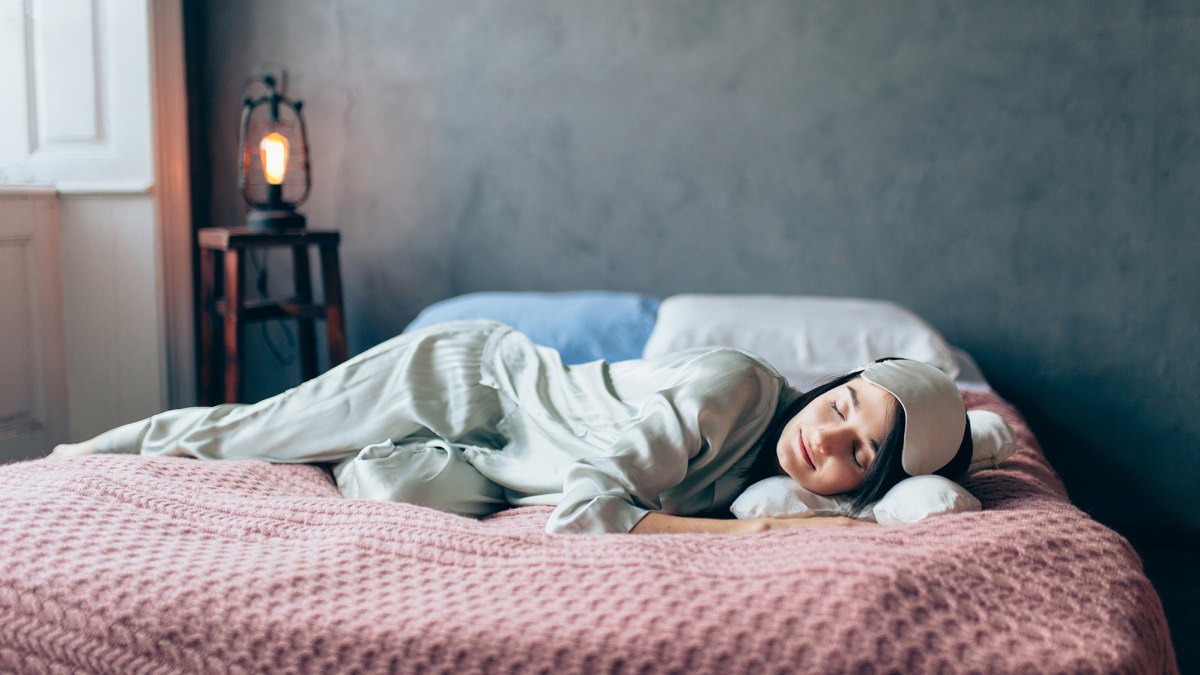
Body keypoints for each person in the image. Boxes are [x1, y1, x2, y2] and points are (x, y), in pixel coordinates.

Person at [51, 320, 972, 535]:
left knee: (397, 488)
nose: (830, 440)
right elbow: (585, 510)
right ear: (836, 382)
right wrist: (753, 540)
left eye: (860, 456)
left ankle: (360, 459)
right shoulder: (734, 385)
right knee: (255, 434)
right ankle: (87, 447)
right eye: (843, 406)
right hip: (470, 384)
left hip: (500, 470)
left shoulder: (780, 487)